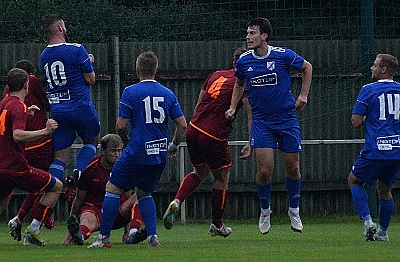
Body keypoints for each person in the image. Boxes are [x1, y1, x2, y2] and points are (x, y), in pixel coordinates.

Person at [89, 51, 187, 248]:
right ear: (156, 70)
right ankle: (152, 237)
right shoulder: (168, 94)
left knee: (112, 189)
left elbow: (121, 125)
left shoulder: (131, 92)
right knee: (144, 193)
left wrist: (126, 142)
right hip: (159, 154)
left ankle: (104, 238)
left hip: (137, 152)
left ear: (137, 70)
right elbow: (183, 125)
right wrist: (173, 145)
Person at [225, 17, 312, 235]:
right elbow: (239, 83)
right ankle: (265, 211)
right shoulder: (244, 61)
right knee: (264, 171)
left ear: (264, 35)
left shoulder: (282, 55)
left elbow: (307, 67)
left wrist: (303, 95)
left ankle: (294, 211)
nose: (248, 37)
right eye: (247, 33)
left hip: (286, 119)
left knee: (293, 168)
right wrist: (233, 107)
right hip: (262, 122)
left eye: (252, 33)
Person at [163, 47, 251, 237]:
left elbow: (198, 104)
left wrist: (177, 142)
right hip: (214, 135)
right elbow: (251, 114)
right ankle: (217, 225)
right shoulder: (243, 82)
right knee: (221, 178)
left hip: (194, 129)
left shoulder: (215, 75)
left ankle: (177, 200)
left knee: (199, 172)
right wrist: (252, 141)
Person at [0, 68, 62, 246]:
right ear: (26, 84)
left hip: (2, 165)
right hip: (16, 167)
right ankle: (33, 231)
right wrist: (46, 131)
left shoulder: (4, 103)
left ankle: (22, 224)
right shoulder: (18, 106)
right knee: (56, 187)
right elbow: (17, 135)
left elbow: (7, 127)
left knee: (4, 199)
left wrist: (27, 114)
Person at [40, 14, 101, 192]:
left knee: (60, 157)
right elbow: (91, 79)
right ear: (60, 28)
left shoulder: (44, 55)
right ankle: (78, 172)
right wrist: (89, 63)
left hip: (58, 111)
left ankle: (50, 189)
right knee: (91, 141)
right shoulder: (77, 49)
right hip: (80, 107)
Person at [348, 53, 400, 242]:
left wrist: (364, 117)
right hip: (396, 150)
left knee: (354, 181)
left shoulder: (368, 90)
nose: (372, 68)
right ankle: (383, 232)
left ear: (384, 70)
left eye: (375, 65)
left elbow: (355, 121)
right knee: (385, 190)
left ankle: (368, 221)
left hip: (375, 148)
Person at [64, 134, 146, 246]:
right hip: (95, 211)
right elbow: (78, 200)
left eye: (119, 151)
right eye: (113, 151)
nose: (117, 155)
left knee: (139, 196)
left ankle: (133, 233)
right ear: (103, 151)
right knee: (87, 218)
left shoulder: (124, 168)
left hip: (117, 213)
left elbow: (127, 198)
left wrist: (126, 231)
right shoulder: (90, 168)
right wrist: (69, 231)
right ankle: (80, 236)